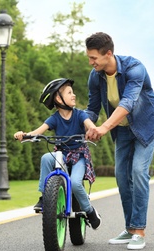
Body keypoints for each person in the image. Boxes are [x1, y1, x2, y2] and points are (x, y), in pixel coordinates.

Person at [84, 32, 154, 249]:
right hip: (123, 130)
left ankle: (139, 230)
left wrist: (104, 127)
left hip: (146, 125)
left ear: (108, 53)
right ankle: (129, 229)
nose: (91, 63)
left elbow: (128, 103)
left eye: (94, 58)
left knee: (138, 171)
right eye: (89, 58)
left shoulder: (134, 68)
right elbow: (91, 109)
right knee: (121, 175)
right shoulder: (95, 76)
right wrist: (87, 125)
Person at [14, 78, 102, 230]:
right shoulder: (54, 118)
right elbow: (38, 132)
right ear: (58, 98)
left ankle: (90, 211)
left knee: (75, 183)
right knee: (46, 157)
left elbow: (90, 125)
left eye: (72, 92)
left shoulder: (80, 114)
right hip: (62, 154)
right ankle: (44, 197)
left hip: (79, 156)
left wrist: (93, 130)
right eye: (69, 93)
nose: (73, 95)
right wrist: (25, 135)